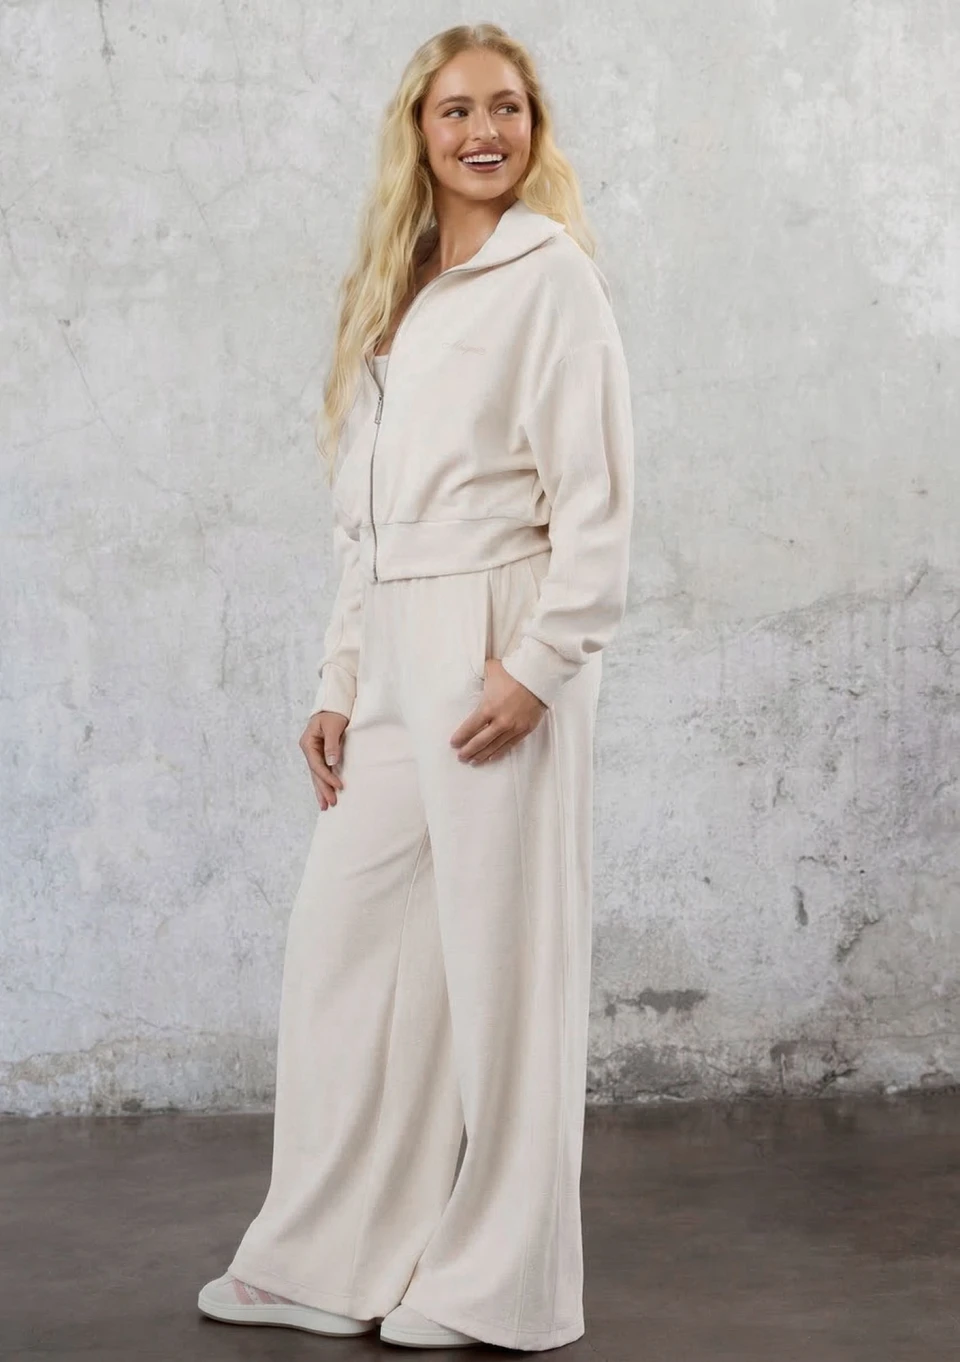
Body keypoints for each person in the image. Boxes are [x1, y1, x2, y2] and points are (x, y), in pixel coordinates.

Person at [197, 20, 634, 1354]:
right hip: (393, 641)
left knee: (505, 973)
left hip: (501, 627)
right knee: (345, 946)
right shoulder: (399, 283)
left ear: (534, 128)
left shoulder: (551, 278)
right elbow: (365, 524)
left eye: (508, 107)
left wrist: (538, 666)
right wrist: (341, 679)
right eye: (457, 110)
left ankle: (496, 1285)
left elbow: (599, 506)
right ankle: (324, 1256)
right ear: (419, 132)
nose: (485, 131)